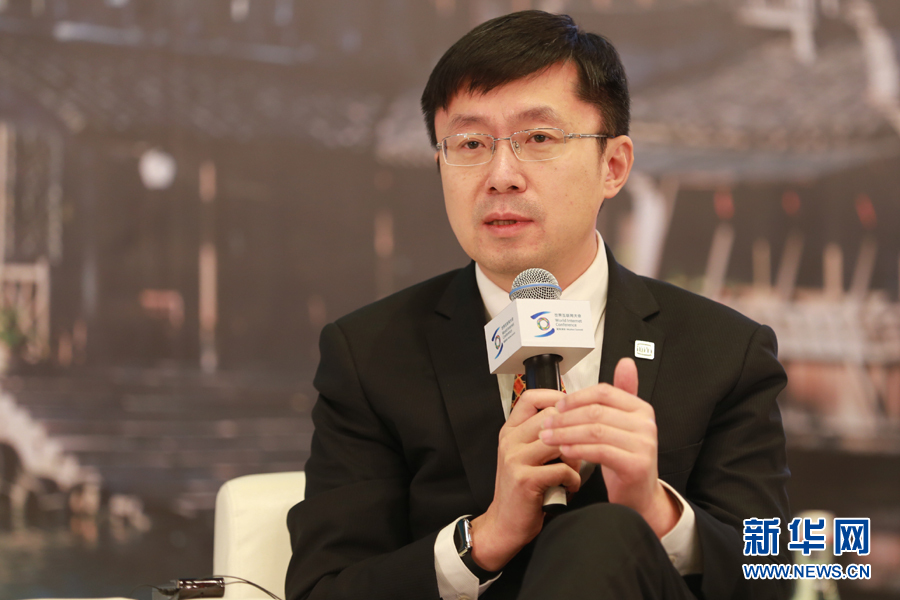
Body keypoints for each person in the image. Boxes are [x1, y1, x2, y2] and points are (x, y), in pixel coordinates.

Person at [286, 10, 790, 600]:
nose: (502, 175)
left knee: (605, 534)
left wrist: (657, 511)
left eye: (539, 139)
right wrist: (483, 539)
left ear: (613, 165)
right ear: (440, 166)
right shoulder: (369, 355)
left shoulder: (724, 351)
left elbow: (773, 574)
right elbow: (323, 589)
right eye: (470, 144)